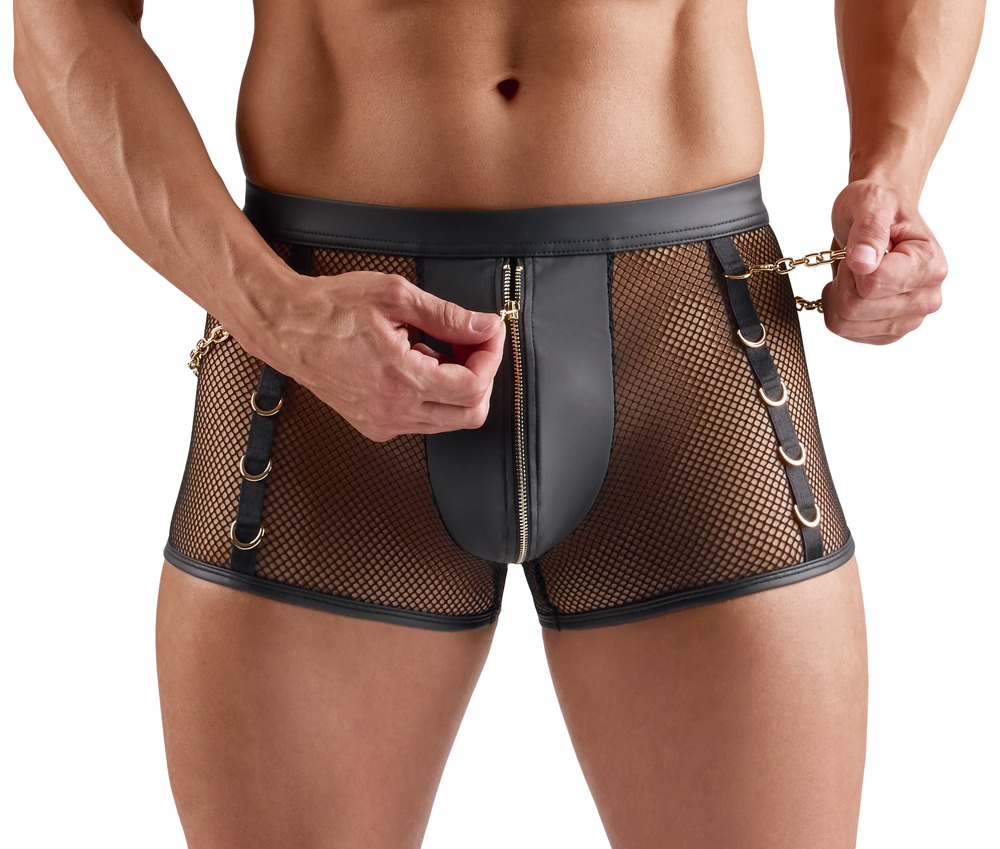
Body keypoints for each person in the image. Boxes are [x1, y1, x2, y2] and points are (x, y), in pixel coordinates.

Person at [12, 1, 987, 847]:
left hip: (684, 352)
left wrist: (891, 174)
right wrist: (274, 313)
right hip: (321, 352)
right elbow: (59, 20)